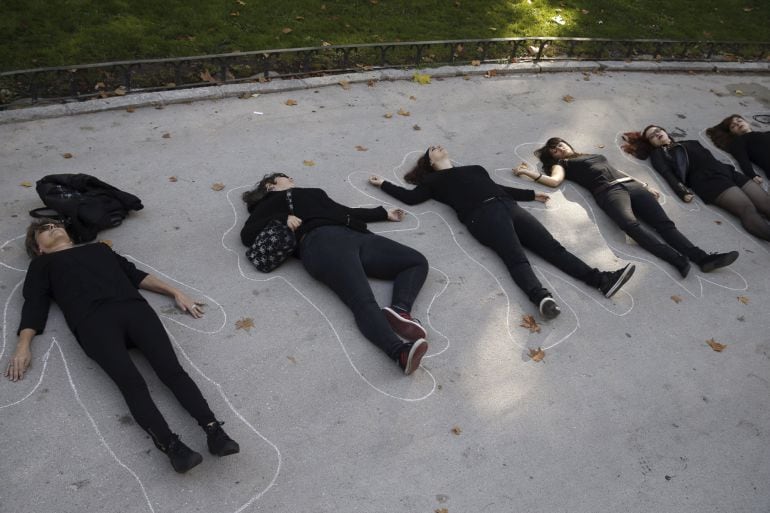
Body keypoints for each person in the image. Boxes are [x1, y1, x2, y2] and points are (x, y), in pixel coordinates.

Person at [6, 219, 240, 474]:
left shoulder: (99, 249)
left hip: (135, 311)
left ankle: (214, 431)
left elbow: (135, 275)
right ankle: (172, 447)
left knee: (172, 371)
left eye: (55, 224)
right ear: (39, 247)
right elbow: (34, 305)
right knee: (132, 385)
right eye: (44, 230)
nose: (53, 228)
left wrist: (174, 292)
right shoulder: (42, 265)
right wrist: (23, 344)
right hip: (94, 324)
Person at [368, 145, 636, 321]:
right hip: (481, 217)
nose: (437, 147)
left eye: (438, 145)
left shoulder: (474, 169)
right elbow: (410, 198)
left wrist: (531, 194)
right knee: (516, 258)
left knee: (554, 249)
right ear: (429, 161)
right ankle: (541, 297)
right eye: (431, 150)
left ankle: (602, 281)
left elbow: (498, 187)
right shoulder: (432, 181)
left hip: (508, 206)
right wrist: (383, 185)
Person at [241, 173, 430, 375]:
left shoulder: (312, 192)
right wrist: (282, 218)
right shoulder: (270, 203)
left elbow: (342, 211)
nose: (291, 178)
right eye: (285, 177)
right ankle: (399, 353)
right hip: (320, 243)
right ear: (271, 185)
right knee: (362, 300)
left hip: (356, 236)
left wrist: (383, 214)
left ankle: (400, 310)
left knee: (415, 261)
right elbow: (247, 234)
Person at [522, 137, 739, 277]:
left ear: (568, 144)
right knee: (630, 224)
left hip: (631, 186)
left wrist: (644, 184)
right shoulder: (562, 165)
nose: (559, 148)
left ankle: (702, 258)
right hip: (608, 192)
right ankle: (676, 259)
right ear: (554, 157)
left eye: (560, 144)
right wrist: (529, 173)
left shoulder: (590, 155)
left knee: (665, 225)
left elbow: (615, 169)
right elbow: (554, 181)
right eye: (554, 150)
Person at [623, 125, 770, 241]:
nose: (657, 134)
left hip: (727, 171)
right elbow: (667, 175)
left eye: (658, 130)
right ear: (651, 143)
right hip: (708, 181)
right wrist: (683, 192)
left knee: (766, 203)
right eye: (652, 136)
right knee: (747, 208)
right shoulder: (658, 155)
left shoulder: (691, 142)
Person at [706, 114, 770, 182]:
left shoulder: (767, 133)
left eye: (739, 120)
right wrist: (752, 175)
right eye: (733, 126)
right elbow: (743, 159)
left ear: (747, 122)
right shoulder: (738, 142)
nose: (738, 124)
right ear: (732, 133)